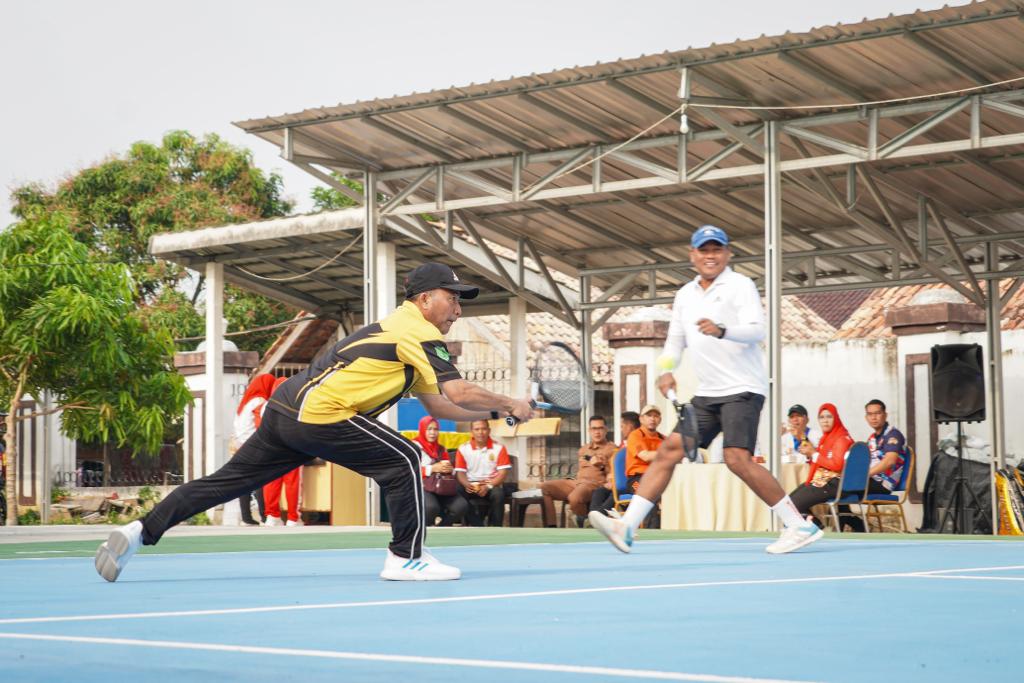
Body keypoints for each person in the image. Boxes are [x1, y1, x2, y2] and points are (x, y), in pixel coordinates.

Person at [94, 262, 534, 582]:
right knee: (404, 456)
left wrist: (501, 411)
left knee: (226, 482)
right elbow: (458, 392)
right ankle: (405, 557)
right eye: (452, 297)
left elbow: (442, 407)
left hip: (287, 409)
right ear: (424, 300)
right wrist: (512, 399)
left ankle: (138, 532)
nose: (458, 307)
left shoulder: (406, 333)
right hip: (321, 412)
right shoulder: (417, 330)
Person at [589, 225, 824, 554]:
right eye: (704, 250)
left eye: (716, 249)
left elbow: (758, 330)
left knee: (736, 458)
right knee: (670, 450)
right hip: (708, 393)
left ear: (727, 254)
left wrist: (722, 329)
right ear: (693, 255)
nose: (710, 255)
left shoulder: (740, 286)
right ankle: (627, 527)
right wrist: (667, 370)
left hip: (743, 388)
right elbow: (674, 341)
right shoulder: (685, 295)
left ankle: (798, 525)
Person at [844, 399, 908, 532]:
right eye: (870, 414)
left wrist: (863, 476)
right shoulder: (872, 438)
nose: (874, 417)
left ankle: (857, 525)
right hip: (871, 481)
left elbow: (889, 461)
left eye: (877, 413)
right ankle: (857, 525)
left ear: (885, 415)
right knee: (838, 488)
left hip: (883, 484)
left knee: (840, 488)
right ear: (866, 417)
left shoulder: (893, 435)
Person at [540, 415, 616, 527]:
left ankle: (586, 521)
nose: (597, 432)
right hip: (577, 482)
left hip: (594, 484)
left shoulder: (612, 449)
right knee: (544, 487)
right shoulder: (583, 449)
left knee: (575, 498)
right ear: (589, 430)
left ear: (605, 430)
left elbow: (614, 473)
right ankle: (551, 526)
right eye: (594, 429)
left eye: (600, 428)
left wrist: (602, 466)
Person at [787, 403, 854, 526]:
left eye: (829, 417)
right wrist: (802, 440)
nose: (825, 421)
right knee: (788, 503)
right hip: (824, 481)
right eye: (821, 418)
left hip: (834, 483)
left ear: (836, 418)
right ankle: (817, 526)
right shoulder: (826, 438)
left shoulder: (841, 438)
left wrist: (813, 453)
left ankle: (816, 528)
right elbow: (818, 461)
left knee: (791, 505)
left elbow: (837, 466)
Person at [230, 373, 276, 526]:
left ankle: (246, 517)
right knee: (262, 481)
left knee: (245, 482)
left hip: (240, 445)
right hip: (253, 445)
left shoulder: (244, 403)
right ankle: (264, 516)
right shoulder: (260, 401)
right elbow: (261, 423)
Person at [261, 376, 303, 527]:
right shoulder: (296, 404)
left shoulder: (265, 405)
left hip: (270, 447)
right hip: (292, 447)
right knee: (293, 483)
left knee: (271, 481)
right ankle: (293, 518)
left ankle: (272, 516)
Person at [455, 420, 511, 527]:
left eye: (484, 429)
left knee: (498, 494)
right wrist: (468, 485)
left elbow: (503, 473)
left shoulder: (499, 448)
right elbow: (460, 473)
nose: (481, 432)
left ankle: (495, 527)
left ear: (489, 430)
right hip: (471, 484)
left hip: (491, 484)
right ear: (471, 432)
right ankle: (477, 525)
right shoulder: (463, 448)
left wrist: (488, 486)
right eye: (477, 429)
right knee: (457, 491)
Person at [414, 415, 468, 526]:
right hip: (424, 487)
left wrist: (450, 469)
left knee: (461, 506)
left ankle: (442, 527)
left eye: (435, 429)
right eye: (429, 429)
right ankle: (426, 530)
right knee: (431, 507)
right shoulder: (414, 446)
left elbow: (450, 470)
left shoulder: (441, 449)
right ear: (422, 429)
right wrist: (432, 468)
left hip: (442, 487)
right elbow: (411, 469)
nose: (433, 433)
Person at [590, 411, 640, 516]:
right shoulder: (623, 444)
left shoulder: (637, 442)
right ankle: (592, 517)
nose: (621, 430)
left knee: (616, 492)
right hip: (617, 483)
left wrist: (615, 481)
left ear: (629, 426)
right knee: (599, 492)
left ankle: (596, 517)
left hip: (631, 483)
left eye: (622, 426)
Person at [626, 406, 663, 492]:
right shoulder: (635, 435)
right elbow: (645, 456)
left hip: (658, 477)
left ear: (660, 420)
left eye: (656, 416)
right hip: (637, 478)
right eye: (649, 415)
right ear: (641, 419)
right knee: (649, 494)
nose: (652, 419)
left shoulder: (664, 439)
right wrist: (669, 454)